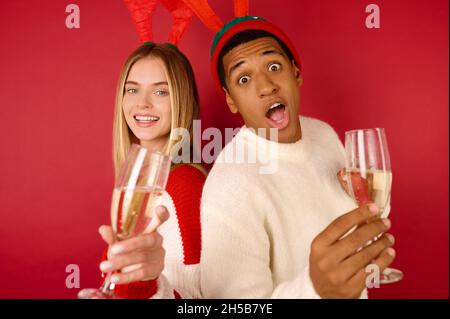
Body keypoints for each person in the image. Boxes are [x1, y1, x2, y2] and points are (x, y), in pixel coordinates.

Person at [193, 15, 397, 298]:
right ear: (231, 100)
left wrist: (370, 205)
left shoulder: (323, 134)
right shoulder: (229, 186)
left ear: (296, 73)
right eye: (244, 78)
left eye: (273, 66)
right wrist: (315, 290)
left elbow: (358, 217)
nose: (266, 86)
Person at [95, 42, 206, 299]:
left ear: (182, 100)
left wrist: (146, 283)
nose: (142, 104)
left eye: (160, 92)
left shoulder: (184, 183)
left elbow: (195, 300)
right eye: (132, 89)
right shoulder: (140, 178)